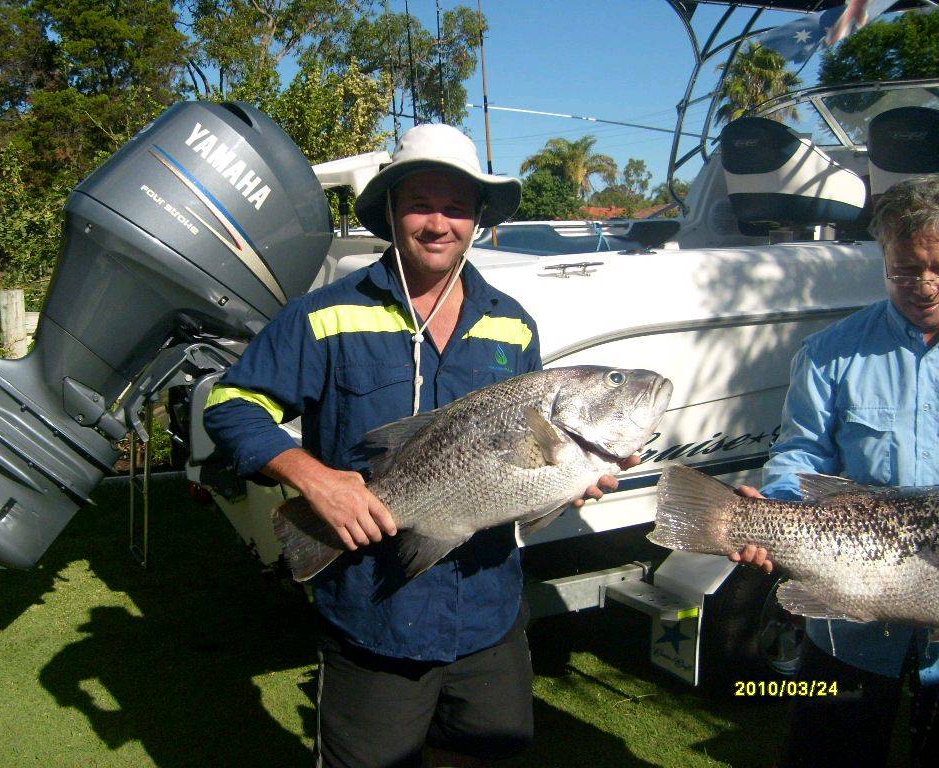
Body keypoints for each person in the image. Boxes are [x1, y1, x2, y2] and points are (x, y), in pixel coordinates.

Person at [204, 123, 633, 768]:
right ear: (390, 212)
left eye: (456, 206)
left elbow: (522, 462)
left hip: (487, 609)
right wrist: (315, 480)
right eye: (420, 204)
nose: (439, 223)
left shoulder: (513, 325)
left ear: (479, 218)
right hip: (374, 609)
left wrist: (569, 480)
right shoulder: (324, 315)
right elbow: (231, 405)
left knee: (488, 749)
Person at [731, 177, 939, 767]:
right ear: (883, 261)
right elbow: (799, 457)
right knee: (827, 752)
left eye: (938, 269)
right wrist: (772, 513)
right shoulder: (830, 353)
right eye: (906, 271)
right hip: (848, 622)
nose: (924, 286)